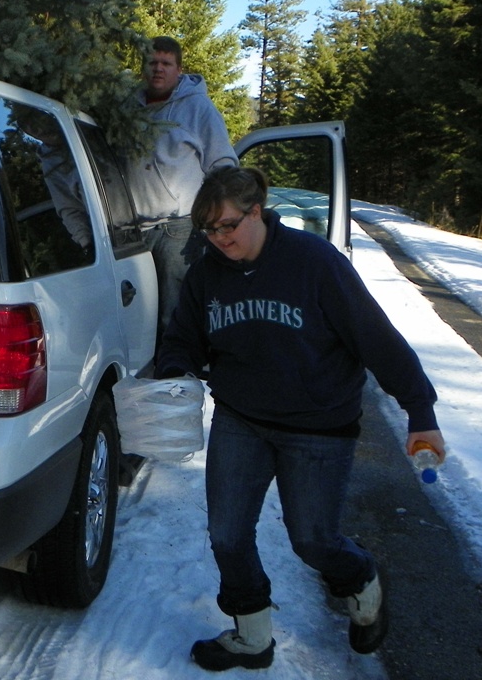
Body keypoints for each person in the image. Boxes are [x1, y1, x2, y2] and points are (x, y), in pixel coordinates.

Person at [155, 165, 445, 672]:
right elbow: (184, 335)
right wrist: (176, 369)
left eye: (228, 225)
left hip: (319, 426)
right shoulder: (206, 273)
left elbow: (375, 338)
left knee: (313, 540)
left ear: (257, 210)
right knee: (227, 535)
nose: (219, 239)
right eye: (209, 229)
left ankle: (361, 583)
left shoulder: (314, 262)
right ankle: (252, 637)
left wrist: (419, 410)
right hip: (241, 419)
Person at [125, 36, 238, 349]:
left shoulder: (197, 107)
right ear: (143, 67)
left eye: (166, 64)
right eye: (153, 62)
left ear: (179, 70)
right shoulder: (126, 109)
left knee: (173, 310)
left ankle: (173, 379)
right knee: (137, 311)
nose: (158, 69)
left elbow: (222, 163)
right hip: (133, 228)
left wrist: (221, 217)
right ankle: (143, 377)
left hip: (180, 227)